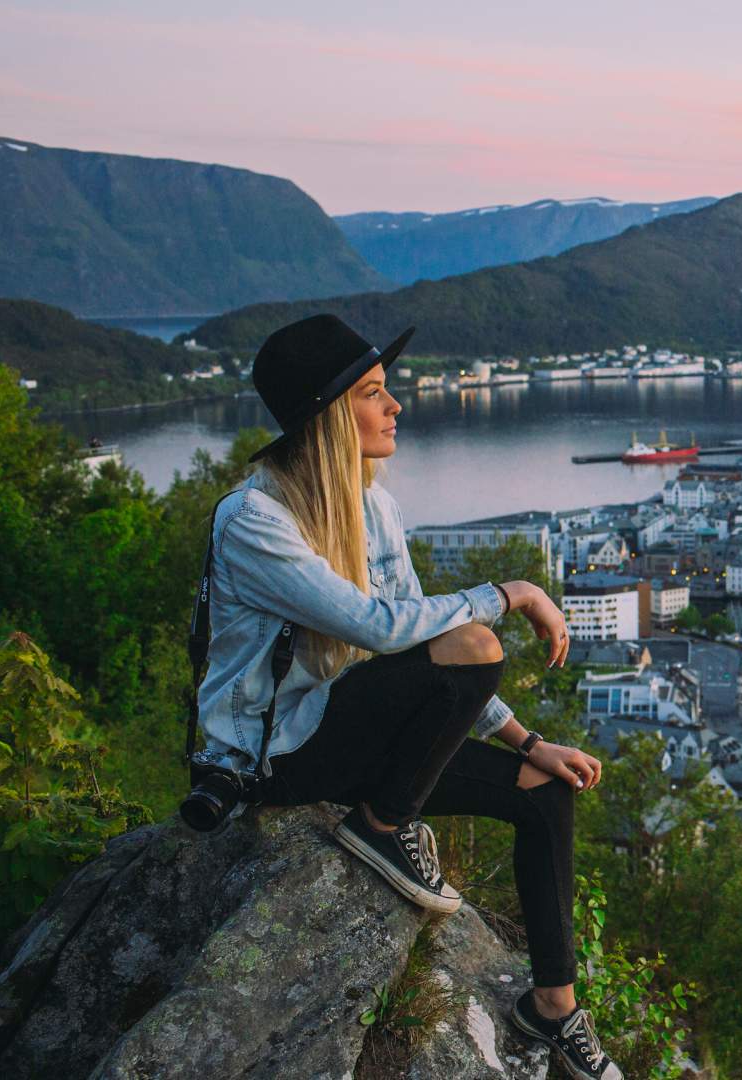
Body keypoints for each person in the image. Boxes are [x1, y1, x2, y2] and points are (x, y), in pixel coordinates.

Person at [194, 315, 619, 1080]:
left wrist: (528, 742)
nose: (395, 406)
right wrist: (512, 592)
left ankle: (552, 1008)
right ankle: (384, 826)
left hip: (355, 734)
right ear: (329, 415)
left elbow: (428, 644)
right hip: (279, 755)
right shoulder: (254, 519)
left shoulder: (373, 506)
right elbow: (381, 627)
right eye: (373, 393)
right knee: (478, 641)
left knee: (544, 790)